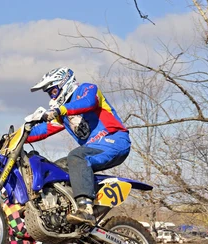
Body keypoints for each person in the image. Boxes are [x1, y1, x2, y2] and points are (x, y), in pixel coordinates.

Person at [28, 67, 132, 224]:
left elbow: (88, 103)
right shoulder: (62, 115)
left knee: (76, 156)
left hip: (115, 141)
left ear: (64, 83)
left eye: (53, 91)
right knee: (54, 170)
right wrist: (15, 137)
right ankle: (64, 212)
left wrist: (59, 110)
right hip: (94, 149)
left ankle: (85, 209)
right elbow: (43, 130)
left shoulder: (87, 89)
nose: (52, 96)